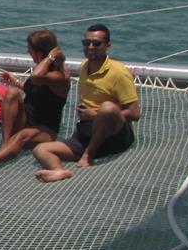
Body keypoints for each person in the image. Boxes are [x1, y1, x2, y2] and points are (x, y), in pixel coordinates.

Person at [32, 24, 140, 182]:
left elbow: (135, 113)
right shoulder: (84, 67)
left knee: (107, 108)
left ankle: (89, 153)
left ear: (107, 46)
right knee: (40, 149)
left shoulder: (119, 72)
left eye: (96, 43)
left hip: (114, 134)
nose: (90, 47)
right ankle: (59, 171)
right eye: (86, 42)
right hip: (87, 132)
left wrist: (95, 115)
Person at [0, 30, 70, 174]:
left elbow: (36, 77)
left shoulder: (59, 76)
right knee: (12, 93)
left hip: (44, 129)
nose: (27, 52)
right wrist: (15, 82)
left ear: (39, 53)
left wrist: (50, 57)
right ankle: (5, 143)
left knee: (21, 136)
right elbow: (33, 89)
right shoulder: (42, 70)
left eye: (30, 49)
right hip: (26, 120)